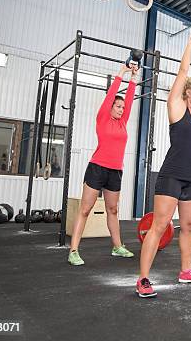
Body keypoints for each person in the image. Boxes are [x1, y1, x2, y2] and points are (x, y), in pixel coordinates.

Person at [137, 34, 191, 298]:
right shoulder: (176, 106)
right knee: (159, 226)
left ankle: (186, 271)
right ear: (188, 92)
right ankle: (143, 278)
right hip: (171, 176)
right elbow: (184, 72)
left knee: (189, 226)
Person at [68, 62, 138, 266]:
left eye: (123, 107)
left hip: (115, 171)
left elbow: (131, 100)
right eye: (118, 106)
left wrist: (134, 78)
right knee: (85, 210)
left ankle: (117, 246)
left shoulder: (122, 122)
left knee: (113, 210)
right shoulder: (102, 119)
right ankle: (73, 250)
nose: (121, 109)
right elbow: (111, 96)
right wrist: (123, 72)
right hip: (97, 168)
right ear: (110, 107)